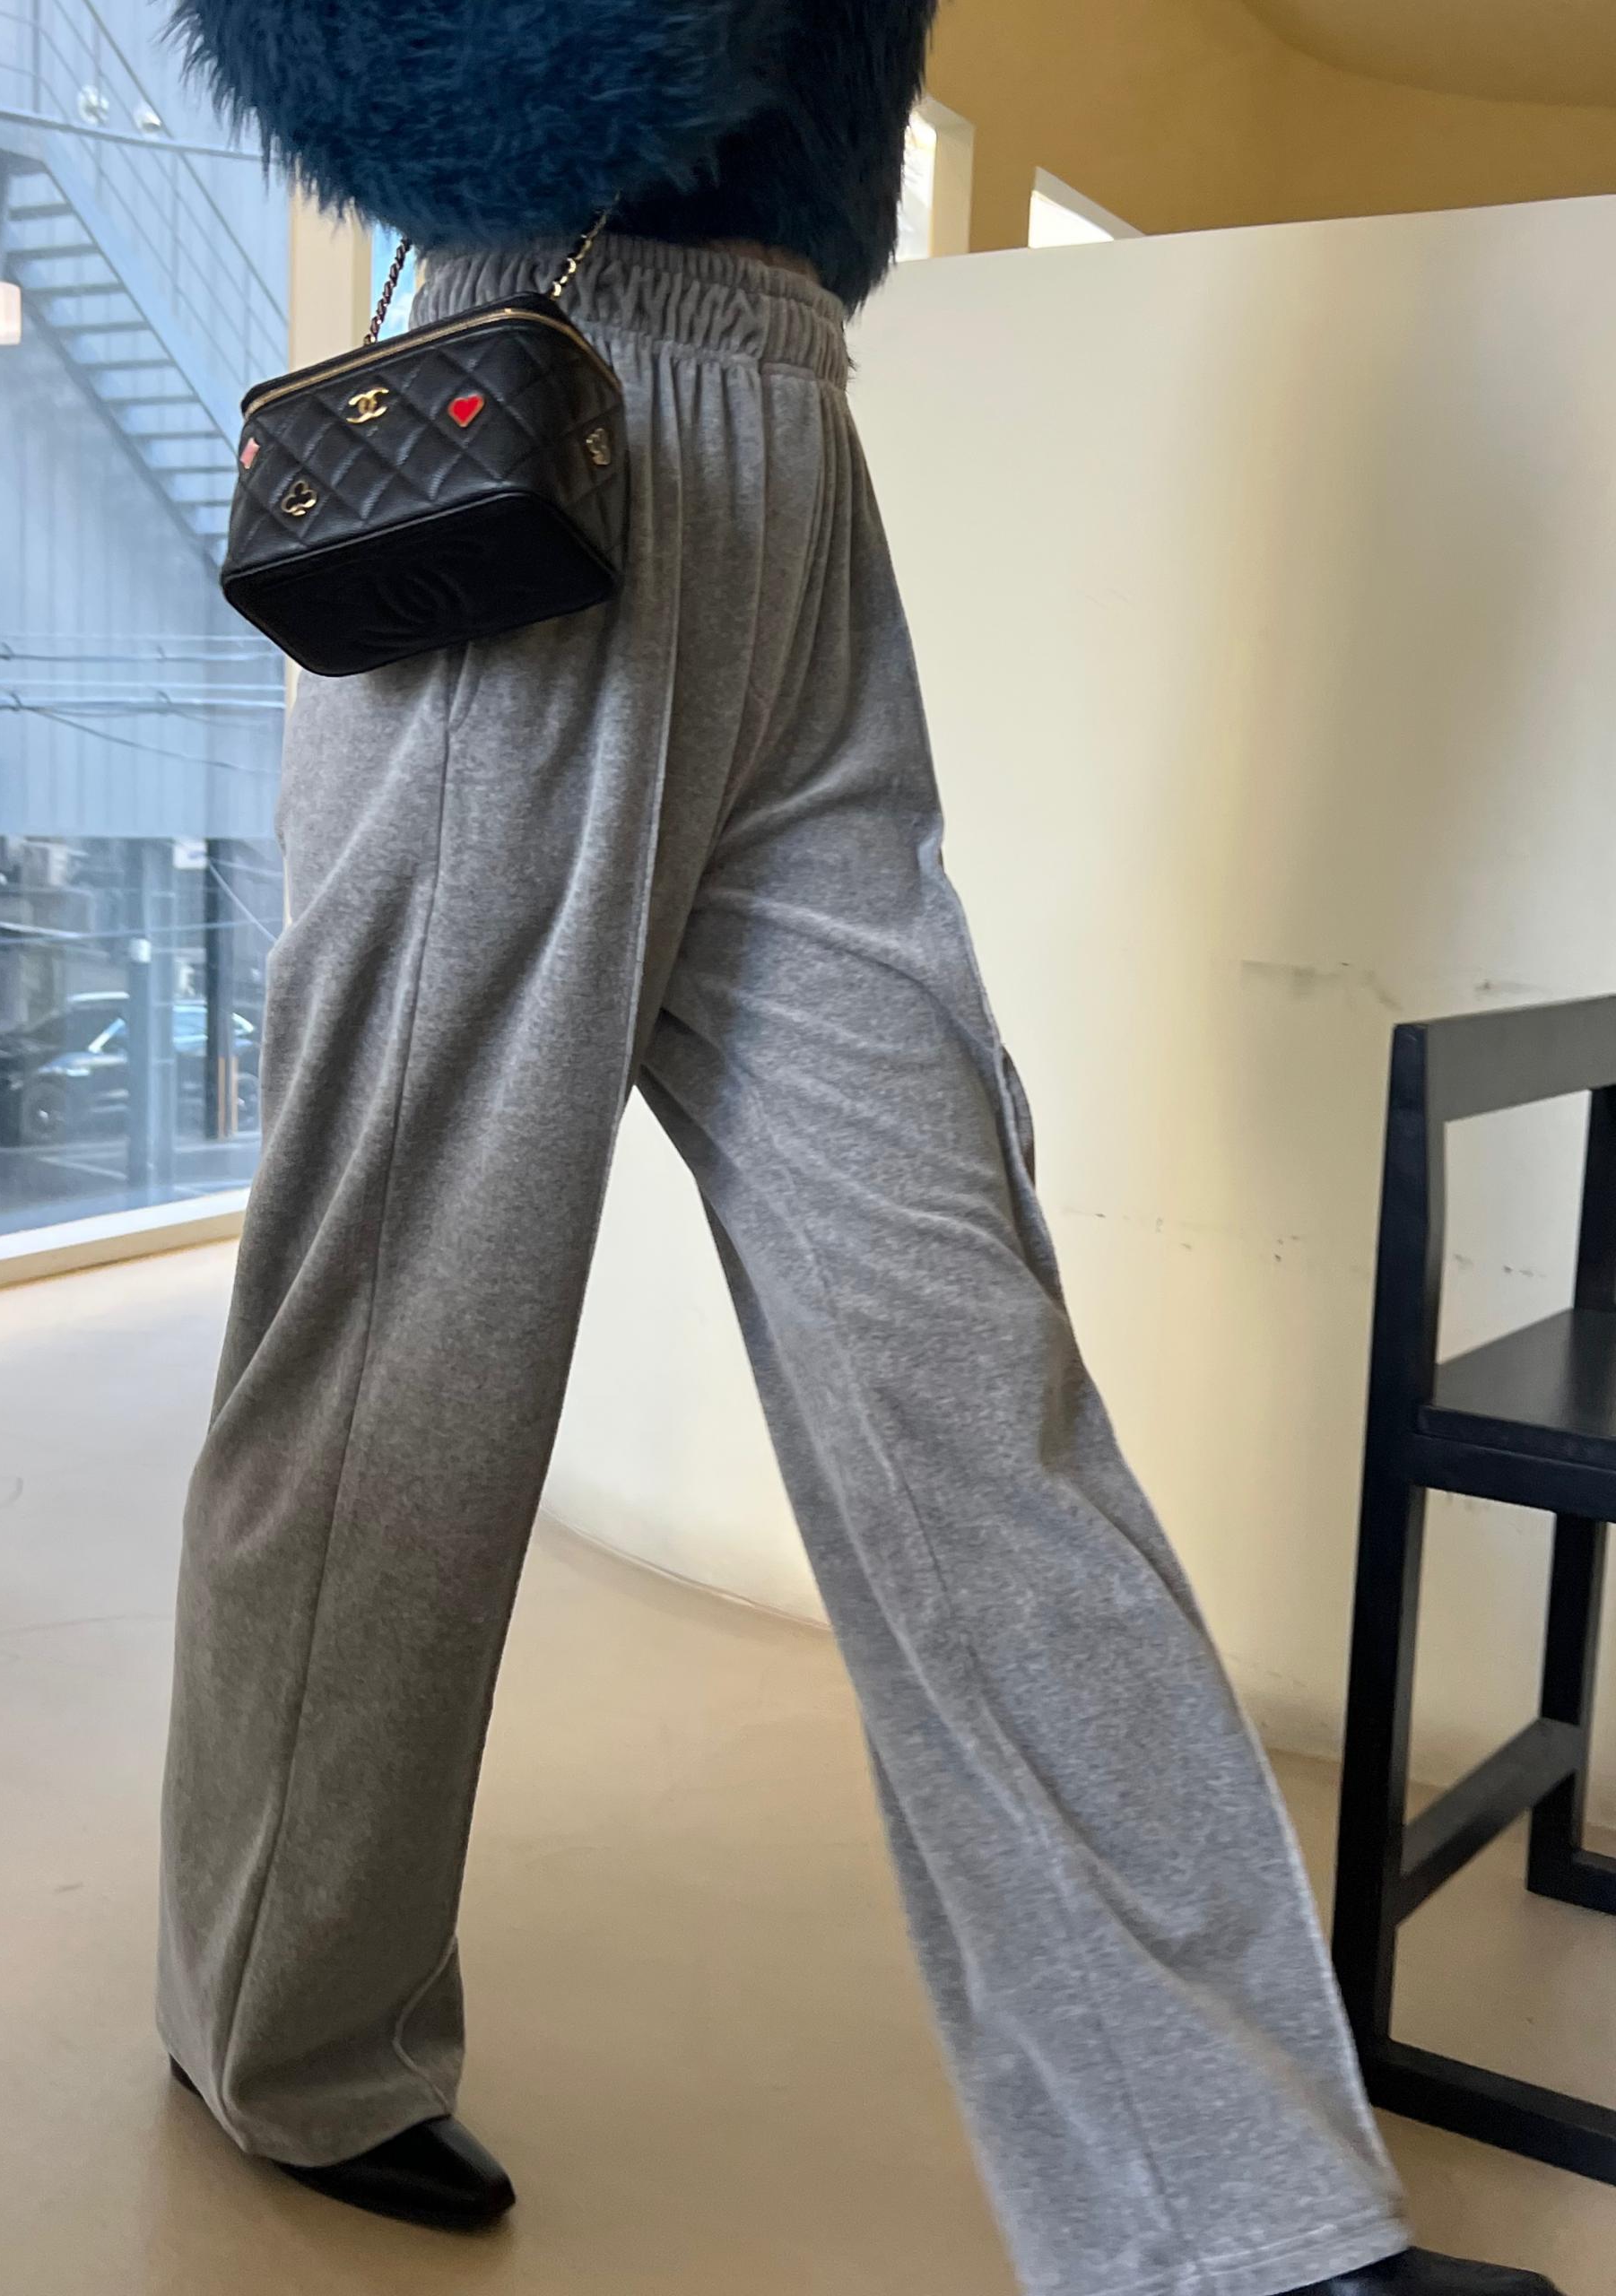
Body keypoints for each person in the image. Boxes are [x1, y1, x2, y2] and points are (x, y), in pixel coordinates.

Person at [157, 7, 1562, 2293]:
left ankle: (1241, 2210)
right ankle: (280, 2024)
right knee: (402, 1324)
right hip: (538, 394)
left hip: (795, 433)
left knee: (969, 1366)